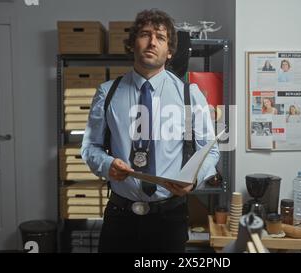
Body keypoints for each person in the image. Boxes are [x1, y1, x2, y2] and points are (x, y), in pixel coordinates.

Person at [81, 9, 219, 253]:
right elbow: (89, 146)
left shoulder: (189, 95)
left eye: (161, 37)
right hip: (119, 217)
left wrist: (194, 180)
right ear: (133, 43)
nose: (152, 42)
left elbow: (210, 148)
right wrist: (106, 163)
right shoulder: (107, 93)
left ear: (170, 51)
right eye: (145, 34)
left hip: (170, 218)